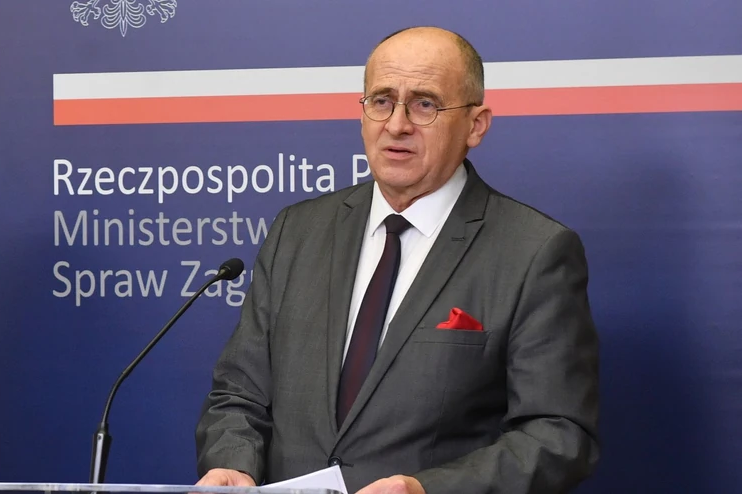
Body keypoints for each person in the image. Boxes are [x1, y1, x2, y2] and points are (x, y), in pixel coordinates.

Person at [194, 26, 599, 494]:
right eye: (381, 101)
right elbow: (239, 392)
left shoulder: (534, 251)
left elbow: (557, 435)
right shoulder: (297, 230)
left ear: (476, 125)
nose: (397, 124)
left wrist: (426, 489)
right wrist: (235, 464)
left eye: (425, 104)